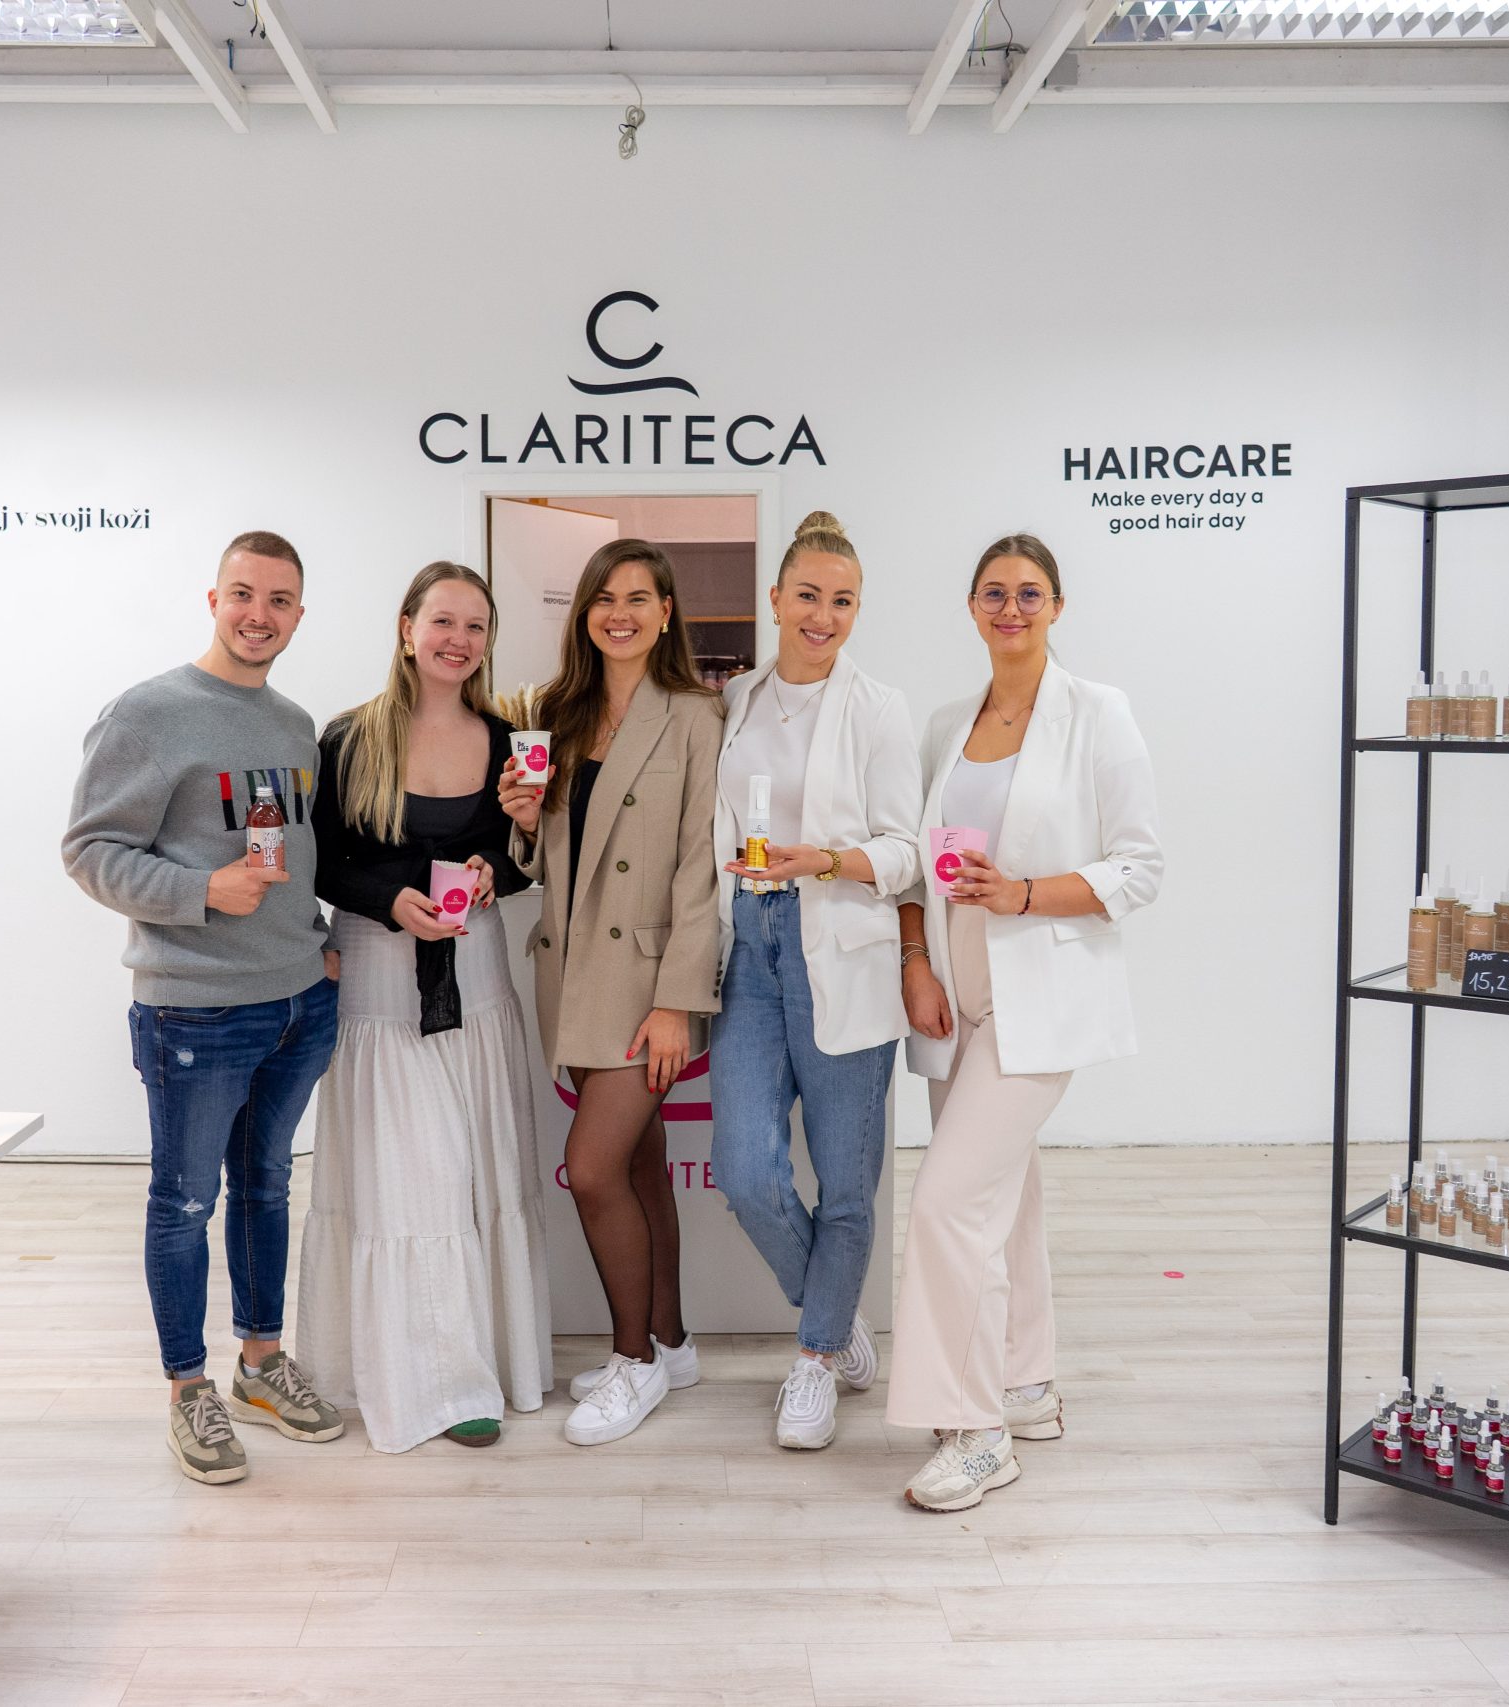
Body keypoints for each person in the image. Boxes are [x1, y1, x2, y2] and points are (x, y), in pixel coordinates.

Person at [886, 532, 1164, 1512]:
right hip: (952, 996)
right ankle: (1026, 1381)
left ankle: (976, 1433)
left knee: (945, 1202)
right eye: (994, 593)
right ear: (971, 606)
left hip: (1038, 997)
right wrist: (915, 960)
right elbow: (913, 862)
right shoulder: (945, 723)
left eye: (1030, 593)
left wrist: (1025, 893)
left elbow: (1140, 867)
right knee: (1003, 1196)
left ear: (1056, 606)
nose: (1011, 608)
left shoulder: (1098, 714)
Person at [62, 529, 346, 1488]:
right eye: (244, 594)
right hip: (195, 1012)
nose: (260, 615)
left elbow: (294, 854)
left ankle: (260, 1363)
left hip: (297, 1003)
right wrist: (200, 892)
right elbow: (89, 850)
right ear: (213, 598)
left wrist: (317, 943)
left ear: (298, 615)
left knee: (267, 1185)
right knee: (184, 1201)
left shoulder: (294, 725)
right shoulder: (147, 713)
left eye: (279, 600)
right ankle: (189, 1388)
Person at [298, 561, 553, 1451]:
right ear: (407, 628)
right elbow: (321, 860)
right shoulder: (348, 737)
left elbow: (520, 855)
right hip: (379, 983)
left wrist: (497, 865)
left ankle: (483, 1359)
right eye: (443, 620)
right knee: (416, 1181)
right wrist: (387, 900)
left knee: (477, 1173)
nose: (459, 640)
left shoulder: (508, 737)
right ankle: (435, 1383)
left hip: (477, 982)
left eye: (476, 626)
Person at [498, 537, 722, 1447]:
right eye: (603, 597)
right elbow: (548, 862)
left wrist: (679, 999)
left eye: (638, 597)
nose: (618, 613)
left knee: (592, 1170)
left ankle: (633, 1363)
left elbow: (702, 866)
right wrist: (523, 824)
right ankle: (671, 1342)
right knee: (636, 1165)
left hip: (645, 983)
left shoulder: (697, 715)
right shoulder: (557, 712)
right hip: (572, 971)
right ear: (584, 611)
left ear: (666, 612)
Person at [708, 511, 921, 1450]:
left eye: (842, 601)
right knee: (745, 1169)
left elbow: (908, 850)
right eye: (807, 596)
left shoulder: (879, 707)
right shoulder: (737, 699)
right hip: (749, 942)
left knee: (845, 1185)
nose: (822, 616)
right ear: (776, 598)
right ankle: (833, 1315)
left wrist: (825, 860)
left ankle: (815, 1357)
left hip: (841, 943)